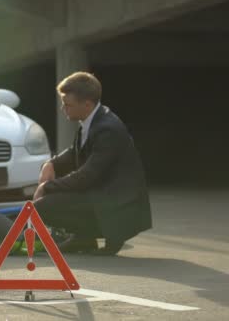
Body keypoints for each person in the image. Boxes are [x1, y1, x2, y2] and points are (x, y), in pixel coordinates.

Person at [33, 71, 152, 256]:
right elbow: (75, 151)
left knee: (42, 206)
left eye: (67, 105)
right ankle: (84, 237)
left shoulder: (108, 129)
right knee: (48, 201)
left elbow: (87, 176)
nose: (63, 109)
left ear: (87, 104)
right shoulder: (93, 120)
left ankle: (99, 234)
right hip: (101, 195)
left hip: (118, 206)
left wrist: (48, 187)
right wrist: (51, 164)